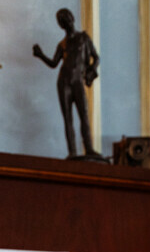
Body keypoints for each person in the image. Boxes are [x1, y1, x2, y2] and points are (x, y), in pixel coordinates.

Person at [33, 8, 104, 160]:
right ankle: (72, 152)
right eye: (62, 20)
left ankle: (89, 148)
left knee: (84, 115)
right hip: (63, 82)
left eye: (67, 18)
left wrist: (92, 70)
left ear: (72, 18)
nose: (66, 21)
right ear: (61, 25)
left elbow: (96, 57)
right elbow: (54, 63)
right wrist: (40, 55)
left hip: (78, 81)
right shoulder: (62, 44)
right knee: (68, 118)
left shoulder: (83, 38)